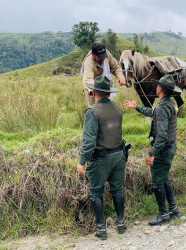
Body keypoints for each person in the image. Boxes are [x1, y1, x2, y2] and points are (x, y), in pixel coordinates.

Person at [123, 75, 181, 226]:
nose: (156, 87)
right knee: (164, 178)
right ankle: (173, 209)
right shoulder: (169, 103)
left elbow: (161, 135)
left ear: (160, 89)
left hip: (162, 149)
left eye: (158, 85)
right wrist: (136, 107)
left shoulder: (162, 107)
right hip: (169, 147)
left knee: (157, 182)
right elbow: (153, 113)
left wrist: (151, 153)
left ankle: (163, 214)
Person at [77, 75, 127, 240]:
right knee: (117, 190)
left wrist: (81, 161)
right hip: (119, 155)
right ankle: (121, 224)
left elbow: (89, 141)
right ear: (108, 93)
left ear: (94, 92)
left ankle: (101, 229)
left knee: (96, 192)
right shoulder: (117, 108)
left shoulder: (92, 112)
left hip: (101, 158)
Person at [81, 42, 126, 107]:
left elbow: (116, 67)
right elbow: (88, 80)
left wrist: (120, 77)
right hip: (93, 91)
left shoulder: (107, 54)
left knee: (107, 108)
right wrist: (96, 92)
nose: (103, 60)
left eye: (103, 57)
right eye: (100, 58)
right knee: (95, 111)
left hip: (105, 88)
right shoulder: (88, 62)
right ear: (93, 54)